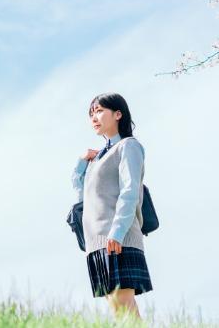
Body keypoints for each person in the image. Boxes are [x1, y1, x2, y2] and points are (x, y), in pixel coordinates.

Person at [71, 92, 153, 319]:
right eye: (91, 114)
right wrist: (82, 161)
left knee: (124, 306)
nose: (94, 118)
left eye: (99, 111)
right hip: (97, 241)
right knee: (117, 311)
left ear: (118, 114)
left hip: (117, 237)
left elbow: (130, 191)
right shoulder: (97, 159)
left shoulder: (128, 146)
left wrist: (117, 232)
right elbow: (81, 194)